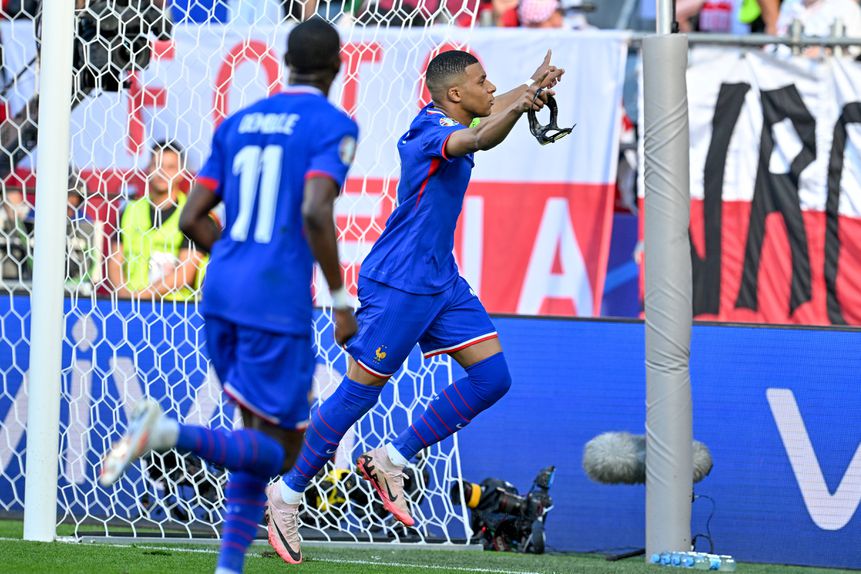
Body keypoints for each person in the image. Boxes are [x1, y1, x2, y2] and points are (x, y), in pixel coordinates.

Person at [266, 49, 563, 561]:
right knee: (359, 395)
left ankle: (392, 458)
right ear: (455, 94)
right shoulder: (430, 132)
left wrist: (529, 88)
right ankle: (287, 494)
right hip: (400, 282)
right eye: (483, 81)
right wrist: (519, 106)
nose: (492, 87)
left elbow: (491, 113)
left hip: (441, 280)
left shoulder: (457, 115)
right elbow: (478, 137)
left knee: (493, 378)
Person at [98, 18, 358, 573]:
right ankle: (167, 433)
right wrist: (340, 300)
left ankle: (227, 567)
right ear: (337, 65)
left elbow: (191, 218)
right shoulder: (333, 124)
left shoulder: (238, 122)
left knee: (252, 436)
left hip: (219, 293)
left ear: (285, 63)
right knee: (284, 450)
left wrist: (237, 255)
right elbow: (316, 211)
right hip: (275, 299)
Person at [106, 140, 204, 301]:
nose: (162, 172)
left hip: (174, 308)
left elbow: (185, 274)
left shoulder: (193, 215)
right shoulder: (130, 210)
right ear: (149, 169)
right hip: (128, 306)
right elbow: (115, 261)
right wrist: (124, 296)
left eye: (170, 167)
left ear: (182, 172)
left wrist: (140, 297)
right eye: (157, 165)